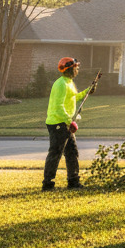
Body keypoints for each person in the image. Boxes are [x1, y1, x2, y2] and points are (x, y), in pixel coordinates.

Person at [43, 57, 95, 190]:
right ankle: (48, 184)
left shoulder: (69, 82)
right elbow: (59, 106)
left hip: (65, 122)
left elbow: (74, 97)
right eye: (76, 67)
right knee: (55, 153)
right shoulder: (61, 84)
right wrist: (69, 121)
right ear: (70, 69)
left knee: (72, 152)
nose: (77, 69)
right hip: (57, 123)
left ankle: (73, 182)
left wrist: (87, 91)